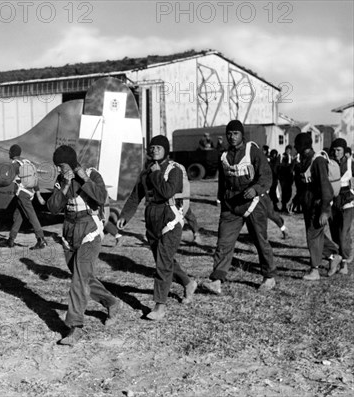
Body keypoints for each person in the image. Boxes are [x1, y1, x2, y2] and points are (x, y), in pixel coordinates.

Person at [117, 136, 197, 320]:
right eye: (152, 147)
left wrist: (156, 173)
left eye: (159, 147)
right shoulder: (145, 172)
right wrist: (125, 215)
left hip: (170, 218)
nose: (154, 150)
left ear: (166, 150)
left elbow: (167, 192)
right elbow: (136, 196)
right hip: (152, 219)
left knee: (163, 263)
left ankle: (160, 306)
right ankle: (188, 282)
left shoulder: (173, 169)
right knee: (164, 259)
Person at [47, 145, 120, 345]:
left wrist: (83, 179)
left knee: (78, 280)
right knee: (82, 277)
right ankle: (111, 302)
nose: (60, 170)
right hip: (69, 229)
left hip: (90, 229)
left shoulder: (91, 174)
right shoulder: (61, 180)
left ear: (70, 162)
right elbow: (53, 207)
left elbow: (103, 198)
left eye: (62, 165)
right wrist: (63, 185)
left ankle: (74, 326)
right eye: (58, 167)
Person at [202, 120, 276, 294]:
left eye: (236, 133)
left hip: (253, 204)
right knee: (223, 242)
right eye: (229, 133)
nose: (232, 136)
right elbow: (223, 181)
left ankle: (269, 276)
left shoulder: (253, 150)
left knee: (260, 240)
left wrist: (255, 189)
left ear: (242, 135)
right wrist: (220, 200)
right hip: (231, 205)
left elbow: (266, 176)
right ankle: (217, 280)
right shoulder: (224, 155)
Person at [293, 133, 342, 280]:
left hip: (319, 206)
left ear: (303, 146)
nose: (295, 147)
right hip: (308, 206)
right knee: (316, 235)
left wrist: (325, 211)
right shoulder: (303, 161)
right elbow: (303, 185)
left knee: (312, 236)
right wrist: (295, 200)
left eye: (297, 145)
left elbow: (326, 188)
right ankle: (334, 255)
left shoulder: (318, 161)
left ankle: (314, 270)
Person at [0, 144, 47, 250]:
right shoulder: (27, 162)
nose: (8, 153)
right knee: (19, 216)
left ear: (12, 153)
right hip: (29, 192)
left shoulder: (15, 165)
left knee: (31, 215)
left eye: (9, 152)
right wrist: (38, 194)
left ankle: (41, 239)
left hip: (22, 194)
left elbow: (8, 181)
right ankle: (11, 240)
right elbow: (35, 178)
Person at [329, 138, 353, 275]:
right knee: (335, 234)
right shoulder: (330, 162)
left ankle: (345, 262)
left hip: (348, 201)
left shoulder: (350, 162)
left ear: (344, 151)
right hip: (334, 200)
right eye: (334, 150)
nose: (336, 152)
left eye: (339, 150)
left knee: (344, 234)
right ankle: (341, 260)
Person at [279, 145, 295, 213]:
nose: (288, 151)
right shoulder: (282, 156)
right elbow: (281, 165)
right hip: (283, 177)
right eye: (287, 150)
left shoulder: (291, 157)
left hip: (289, 177)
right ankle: (283, 206)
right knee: (284, 191)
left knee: (289, 192)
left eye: (289, 150)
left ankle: (286, 204)